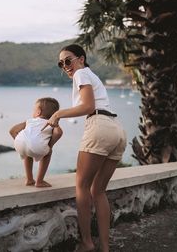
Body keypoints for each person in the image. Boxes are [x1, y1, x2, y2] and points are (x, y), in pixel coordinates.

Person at [42, 44, 127, 252]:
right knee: (98, 190)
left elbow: (88, 106)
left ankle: (87, 242)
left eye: (68, 60)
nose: (65, 66)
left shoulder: (81, 73)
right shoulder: (91, 75)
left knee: (81, 186)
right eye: (61, 64)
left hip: (98, 125)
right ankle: (105, 247)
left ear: (81, 59)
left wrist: (57, 114)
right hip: (117, 129)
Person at [9, 97, 63, 187]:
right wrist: (50, 145)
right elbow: (58, 133)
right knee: (48, 153)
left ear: (38, 112)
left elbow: (12, 130)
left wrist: (20, 141)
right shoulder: (51, 124)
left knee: (27, 153)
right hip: (38, 147)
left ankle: (29, 179)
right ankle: (39, 181)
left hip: (19, 144)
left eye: (34, 110)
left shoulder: (29, 121)